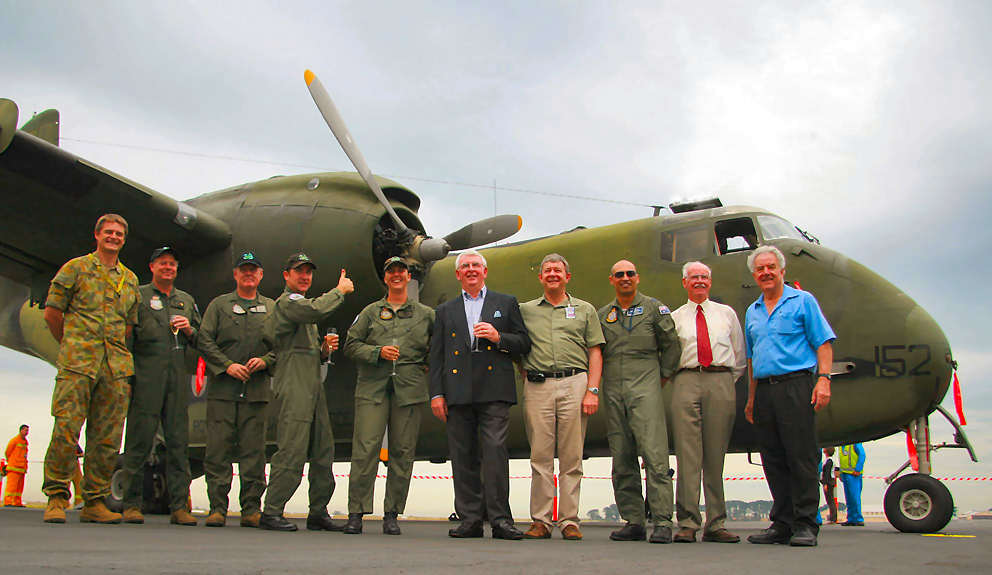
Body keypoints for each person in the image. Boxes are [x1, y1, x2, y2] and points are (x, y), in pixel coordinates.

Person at [42, 213, 141, 524]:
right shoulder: (76, 268)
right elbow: (52, 314)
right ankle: (57, 496)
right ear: (97, 235)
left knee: (108, 437)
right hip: (78, 363)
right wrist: (72, 346)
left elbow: (128, 327)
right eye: (108, 232)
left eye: (119, 234)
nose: (113, 237)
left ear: (124, 240)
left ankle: (94, 501)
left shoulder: (130, 279)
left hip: (115, 367)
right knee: (67, 429)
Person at [429, 250, 531, 540]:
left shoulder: (506, 303)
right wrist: (437, 394)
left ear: (485, 272)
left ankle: (501, 520)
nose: (471, 270)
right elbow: (437, 357)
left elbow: (523, 343)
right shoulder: (445, 311)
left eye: (476, 265)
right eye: (465, 267)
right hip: (458, 390)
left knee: (495, 453)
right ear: (458, 274)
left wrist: (499, 338)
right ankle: (470, 520)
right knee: (462, 456)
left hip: (494, 388)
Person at [743, 245, 835, 547]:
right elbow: (753, 358)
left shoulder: (803, 301)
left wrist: (823, 380)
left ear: (782, 271)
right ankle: (782, 523)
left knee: (802, 456)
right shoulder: (752, 311)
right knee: (773, 458)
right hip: (765, 390)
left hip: (796, 384)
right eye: (760, 269)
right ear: (755, 275)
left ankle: (806, 523)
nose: (766, 273)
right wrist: (752, 398)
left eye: (771, 267)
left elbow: (822, 343)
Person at [259, 253, 354, 532]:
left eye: (308, 272)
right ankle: (272, 510)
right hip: (295, 384)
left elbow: (307, 348)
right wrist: (339, 291)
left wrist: (323, 350)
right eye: (298, 271)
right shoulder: (289, 302)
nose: (305, 276)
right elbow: (314, 310)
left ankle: (318, 510)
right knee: (292, 448)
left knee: (323, 449)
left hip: (312, 384)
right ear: (286, 275)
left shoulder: (302, 309)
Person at [342, 256, 435, 535]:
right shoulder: (370, 312)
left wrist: (425, 365)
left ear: (408, 277)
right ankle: (356, 513)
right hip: (373, 388)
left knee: (403, 452)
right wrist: (376, 353)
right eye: (391, 271)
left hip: (409, 389)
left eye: (401, 271)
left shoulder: (426, 314)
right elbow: (351, 345)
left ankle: (392, 513)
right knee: (365, 449)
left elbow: (439, 346)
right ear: (385, 278)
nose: (396, 275)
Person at [519, 254, 604, 541]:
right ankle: (540, 521)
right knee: (540, 456)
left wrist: (592, 389)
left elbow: (595, 351)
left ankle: (569, 520)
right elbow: (517, 346)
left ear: (568, 276)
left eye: (558, 270)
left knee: (571, 457)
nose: (553, 273)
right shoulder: (525, 310)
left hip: (575, 383)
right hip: (538, 385)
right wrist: (526, 374)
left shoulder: (584, 309)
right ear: (540, 277)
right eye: (547, 270)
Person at [597, 260, 681, 544]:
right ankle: (633, 520)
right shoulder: (603, 314)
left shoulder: (655, 309)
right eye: (619, 274)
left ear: (637, 277)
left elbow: (671, 345)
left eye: (630, 274)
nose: (624, 278)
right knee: (621, 456)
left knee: (654, 454)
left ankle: (662, 521)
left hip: (645, 386)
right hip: (613, 388)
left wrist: (663, 378)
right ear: (611, 280)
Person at [119, 246, 201, 526]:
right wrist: (127, 378)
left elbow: (200, 339)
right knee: (139, 441)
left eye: (172, 264)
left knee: (179, 443)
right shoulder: (138, 296)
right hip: (146, 377)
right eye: (162, 263)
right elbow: (126, 338)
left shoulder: (186, 301)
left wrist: (189, 329)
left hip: (176, 378)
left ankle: (179, 506)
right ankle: (131, 504)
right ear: (152, 267)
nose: (168, 268)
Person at [197, 251, 276, 528]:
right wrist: (227, 365)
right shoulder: (219, 306)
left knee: (254, 453)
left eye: (253, 270)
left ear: (261, 275)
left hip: (256, 393)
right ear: (235, 274)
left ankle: (251, 509)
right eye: (244, 269)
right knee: (217, 451)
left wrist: (265, 361)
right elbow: (204, 341)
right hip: (223, 391)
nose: (248, 274)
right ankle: (217, 508)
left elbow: (281, 347)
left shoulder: (271, 308)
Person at [670, 261, 746, 543]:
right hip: (686, 379)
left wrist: (724, 381)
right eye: (694, 277)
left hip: (721, 380)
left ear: (710, 282)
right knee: (687, 455)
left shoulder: (726, 314)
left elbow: (739, 355)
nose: (699, 281)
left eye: (704, 277)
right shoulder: (676, 317)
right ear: (685, 283)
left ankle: (716, 523)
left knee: (716, 455)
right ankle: (688, 522)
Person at [839, 443, 866, 526]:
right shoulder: (841, 445)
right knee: (849, 498)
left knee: (855, 497)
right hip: (845, 473)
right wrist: (841, 473)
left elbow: (862, 455)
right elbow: (842, 460)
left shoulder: (855, 443)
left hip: (854, 474)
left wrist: (858, 469)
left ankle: (858, 518)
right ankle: (851, 518)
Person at [3, 425, 29, 506]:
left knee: (19, 488)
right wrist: (11, 461)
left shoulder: (25, 442)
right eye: (25, 430)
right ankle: (8, 501)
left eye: (28, 431)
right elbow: (8, 452)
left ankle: (17, 502)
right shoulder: (15, 440)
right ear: (21, 430)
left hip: (22, 468)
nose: (27, 432)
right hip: (14, 467)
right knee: (12, 486)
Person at [821, 447, 837, 524]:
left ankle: (833, 518)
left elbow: (827, 473)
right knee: (830, 500)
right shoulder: (829, 460)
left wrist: (825, 484)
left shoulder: (829, 461)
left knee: (830, 500)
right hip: (830, 481)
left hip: (829, 482)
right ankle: (832, 517)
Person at [70, 444, 84, 508]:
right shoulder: (73, 443)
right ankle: (78, 502)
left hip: (68, 463)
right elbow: (82, 454)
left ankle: (78, 501)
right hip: (73, 463)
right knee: (78, 483)